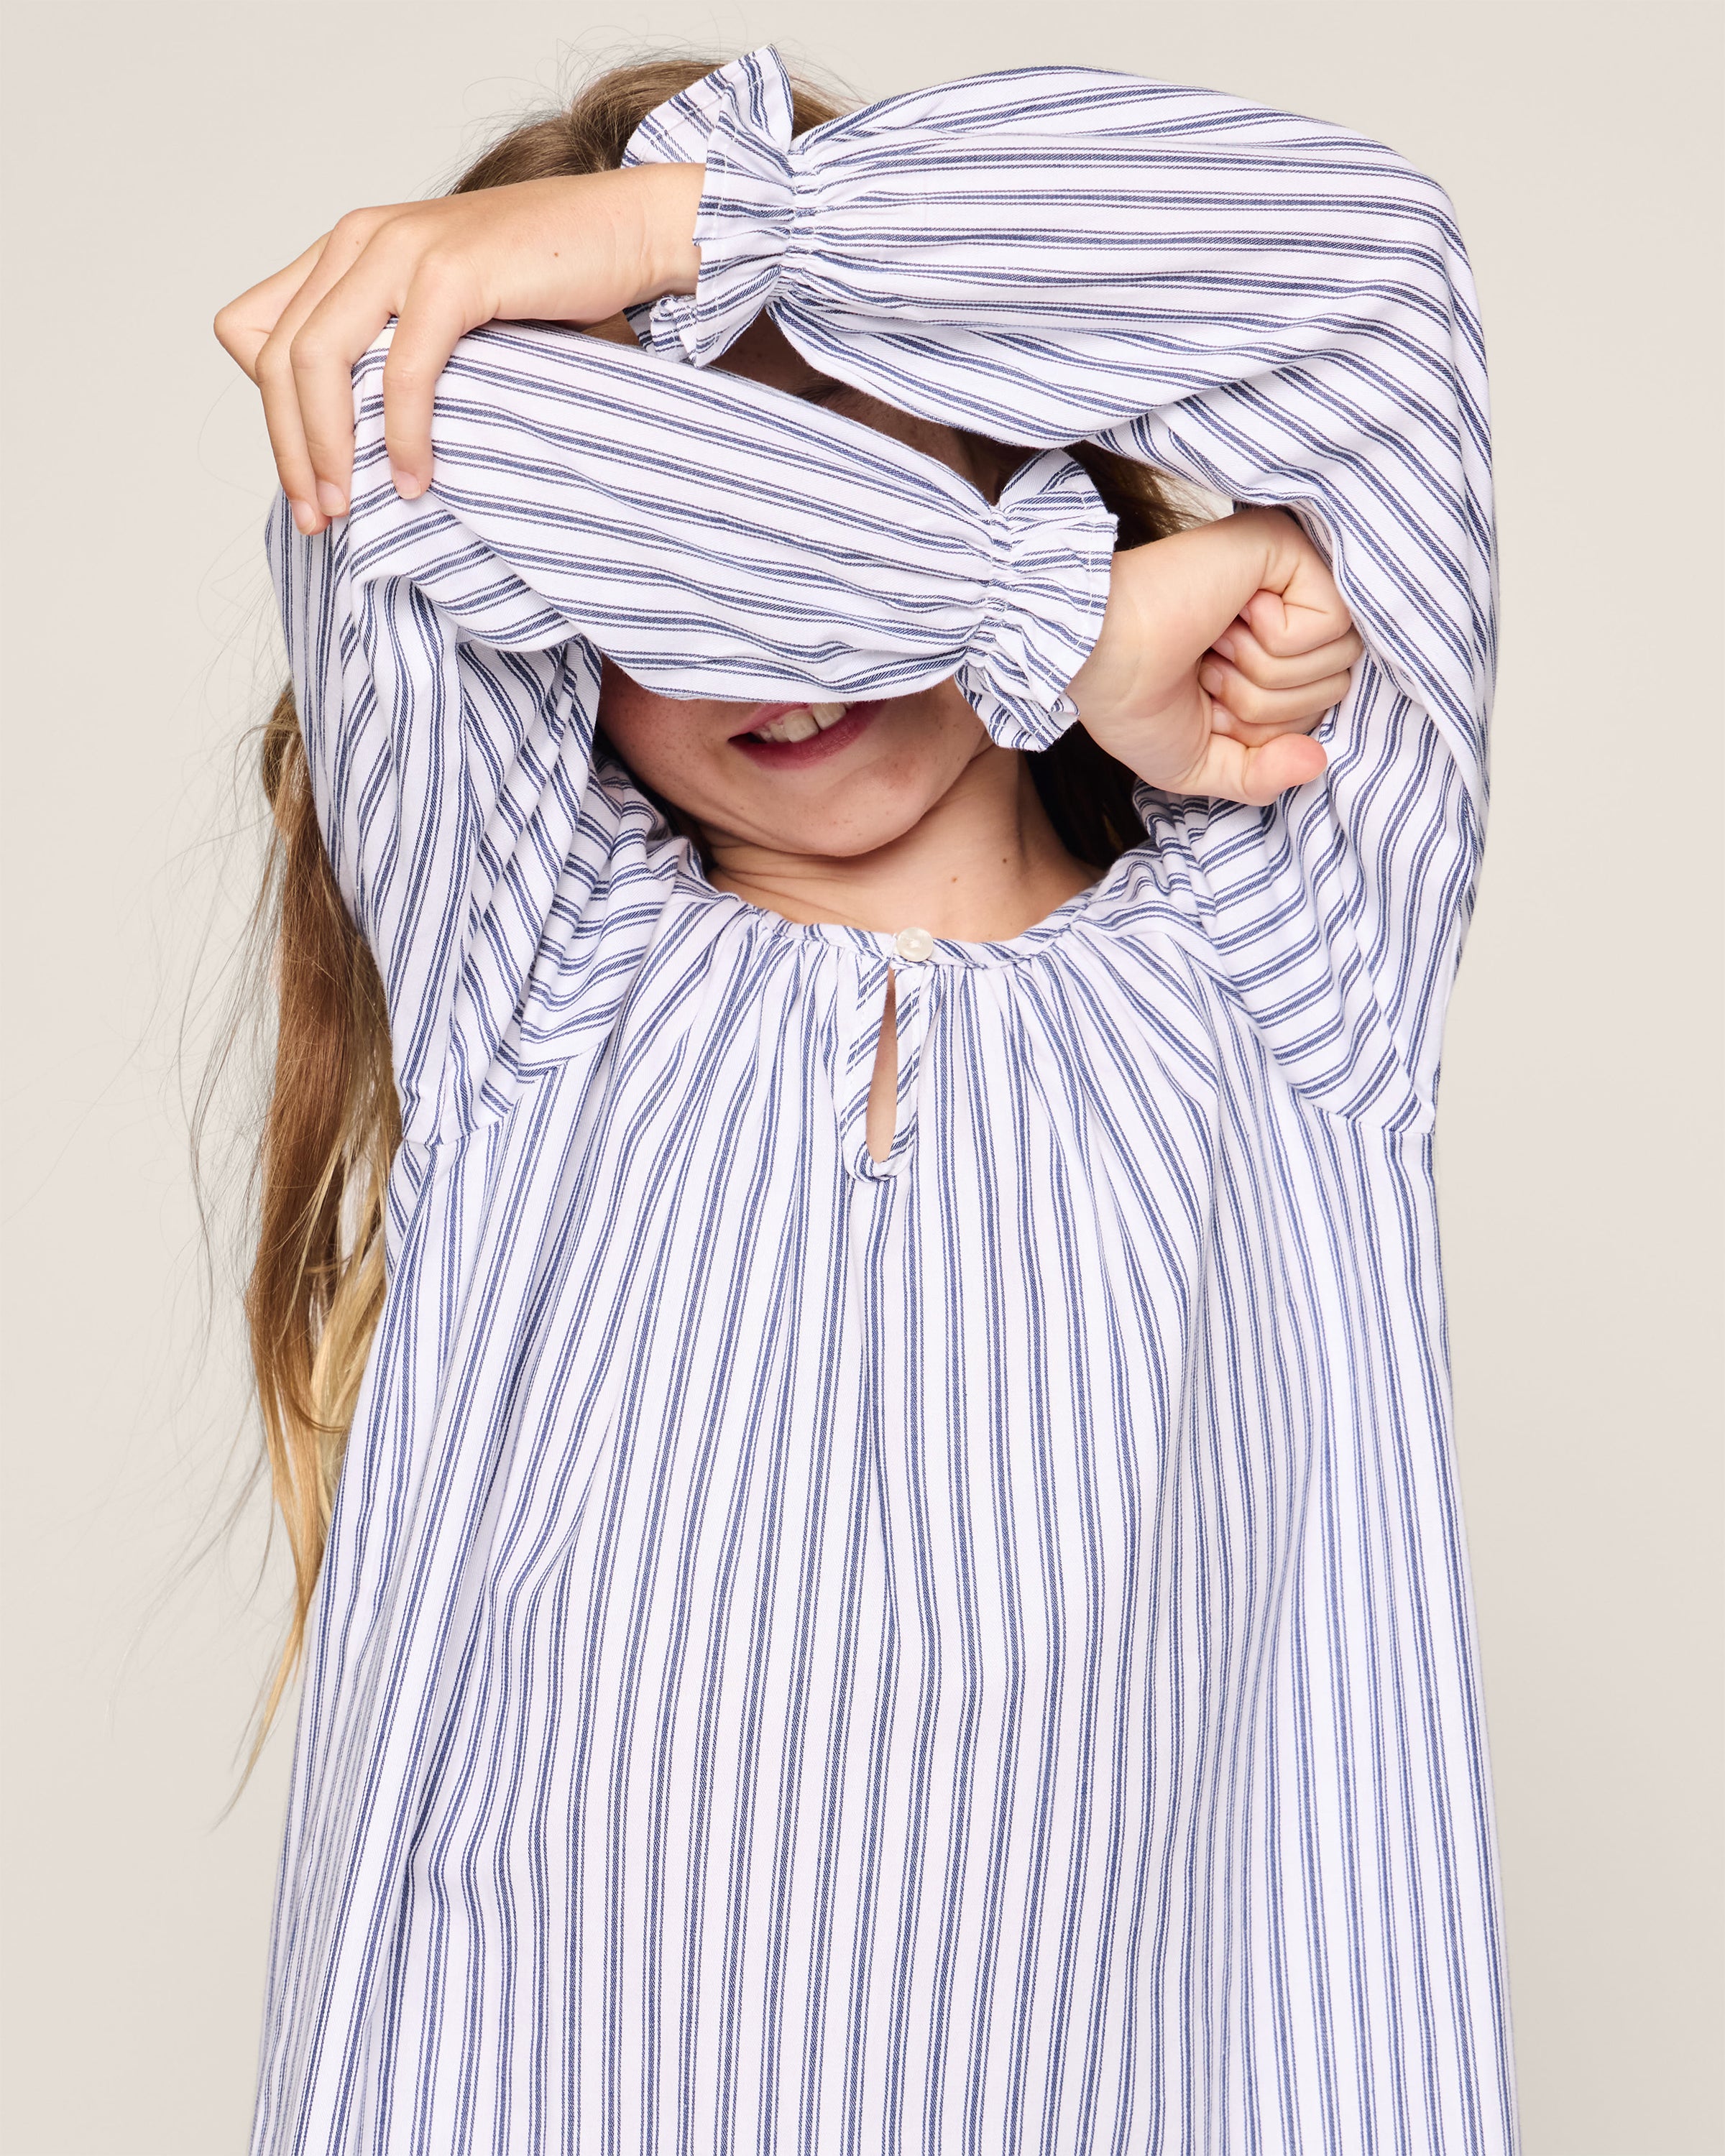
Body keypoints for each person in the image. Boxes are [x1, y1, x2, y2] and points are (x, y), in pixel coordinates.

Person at [213, 45, 1514, 2154]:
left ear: (1011, 432)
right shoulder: (530, 962)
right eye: (674, 544)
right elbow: (362, 408)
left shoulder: (1304, 957)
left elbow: (1372, 271)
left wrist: (694, 237)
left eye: (824, 466)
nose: (766, 642)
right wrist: (1043, 615)